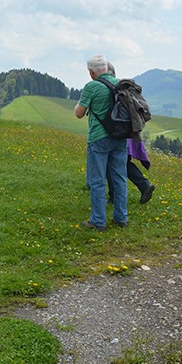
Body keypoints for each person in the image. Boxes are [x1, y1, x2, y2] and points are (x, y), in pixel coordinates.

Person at [75, 54, 128, 231]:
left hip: (99, 138)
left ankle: (98, 221)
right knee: (119, 178)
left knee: (97, 181)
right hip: (120, 136)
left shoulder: (92, 86)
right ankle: (121, 218)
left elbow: (79, 113)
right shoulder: (121, 84)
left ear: (91, 72)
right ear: (106, 68)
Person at [103, 62, 156, 205]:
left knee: (111, 163)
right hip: (128, 133)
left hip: (118, 133)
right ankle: (144, 186)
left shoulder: (109, 89)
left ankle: (115, 196)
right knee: (124, 162)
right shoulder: (124, 90)